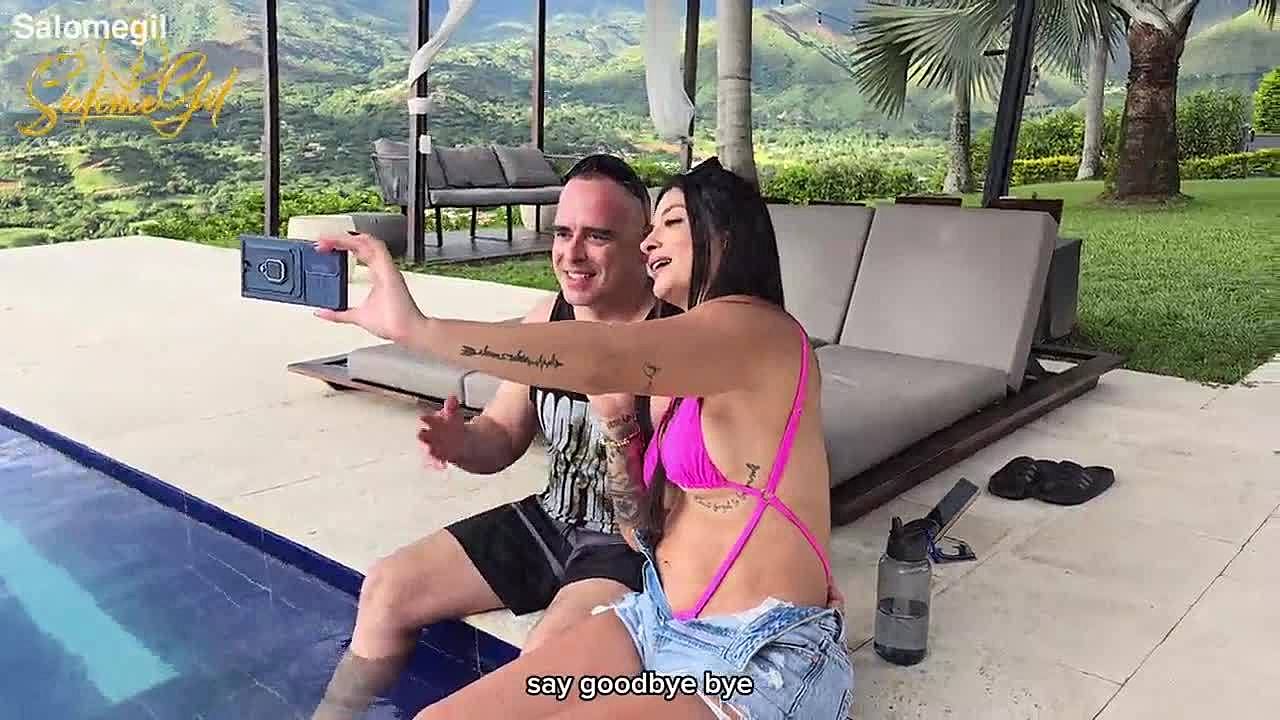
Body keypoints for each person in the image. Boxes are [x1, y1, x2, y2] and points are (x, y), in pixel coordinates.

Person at [314, 157, 852, 719]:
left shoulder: (759, 332)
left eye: (670, 223)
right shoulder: (682, 374)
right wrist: (620, 427)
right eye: (650, 230)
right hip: (656, 622)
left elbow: (603, 355)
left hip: (754, 656)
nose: (650, 244)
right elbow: (641, 532)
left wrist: (417, 329)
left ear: (726, 235)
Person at [311, 155, 680, 720]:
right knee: (388, 586)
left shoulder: (676, 338)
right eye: (563, 232)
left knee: (543, 663)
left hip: (633, 547)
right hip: (552, 518)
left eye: (598, 236)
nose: (572, 254)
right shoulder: (547, 319)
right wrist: (461, 442)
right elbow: (504, 434)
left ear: (642, 243)